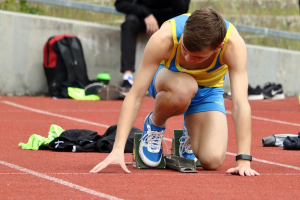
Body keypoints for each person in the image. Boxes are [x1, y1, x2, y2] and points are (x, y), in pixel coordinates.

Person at [90, 8, 260, 176]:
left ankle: (188, 134)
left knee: (212, 160)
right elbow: (135, 95)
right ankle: (155, 124)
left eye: (198, 57)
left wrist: (243, 160)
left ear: (218, 48)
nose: (188, 59)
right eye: (185, 50)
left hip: (208, 91)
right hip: (166, 81)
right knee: (185, 87)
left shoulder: (233, 46)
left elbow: (239, 104)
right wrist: (118, 148)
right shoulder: (165, 38)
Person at [115, 0, 190, 88]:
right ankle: (127, 77)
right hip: (142, 15)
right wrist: (146, 13)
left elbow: (182, 10)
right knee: (129, 23)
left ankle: (177, 75)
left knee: (181, 27)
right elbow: (120, 4)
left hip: (168, 17)